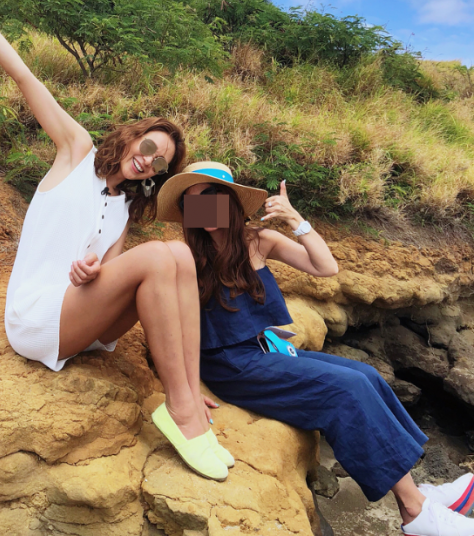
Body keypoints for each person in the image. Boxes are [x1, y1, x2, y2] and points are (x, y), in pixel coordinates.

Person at [0, 0, 232, 481]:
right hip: (37, 317)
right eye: (149, 147)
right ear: (133, 137)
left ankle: (187, 397)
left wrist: (90, 272)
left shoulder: (125, 208)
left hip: (83, 322)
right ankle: (182, 412)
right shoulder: (76, 151)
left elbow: (112, 280)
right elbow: (24, 76)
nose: (149, 161)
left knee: (179, 254)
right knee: (167, 254)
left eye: (160, 163)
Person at [156, 160, 474, 535]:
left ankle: (419, 491)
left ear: (231, 200)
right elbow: (178, 326)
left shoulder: (258, 241)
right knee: (346, 388)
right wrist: (186, 388)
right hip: (231, 365)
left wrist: (295, 219)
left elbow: (325, 268)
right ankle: (414, 511)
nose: (203, 206)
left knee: (366, 374)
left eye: (211, 194)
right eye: (192, 201)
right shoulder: (187, 256)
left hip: (266, 350)